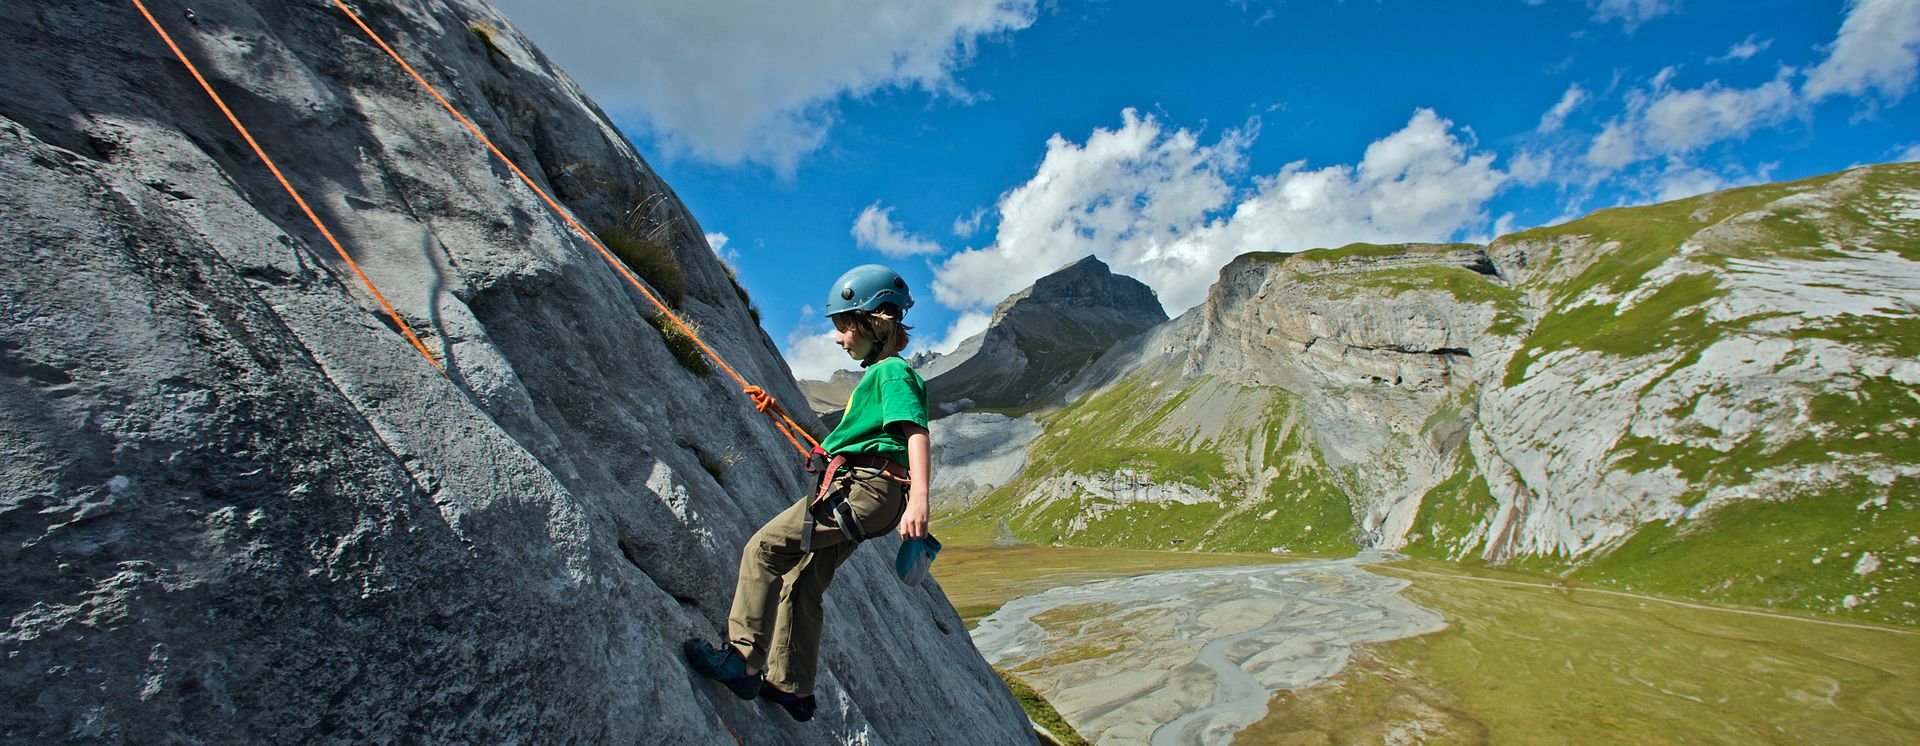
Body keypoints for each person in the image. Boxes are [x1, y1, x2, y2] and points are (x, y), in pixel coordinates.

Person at [684, 264, 932, 723]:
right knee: (803, 582)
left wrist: (920, 497)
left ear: (874, 320)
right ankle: (793, 688)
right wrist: (778, 412)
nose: (839, 338)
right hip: (870, 493)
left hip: (866, 490)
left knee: (763, 550)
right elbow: (856, 444)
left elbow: (915, 431)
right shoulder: (880, 376)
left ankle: (743, 660)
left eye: (843, 326)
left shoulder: (891, 373)